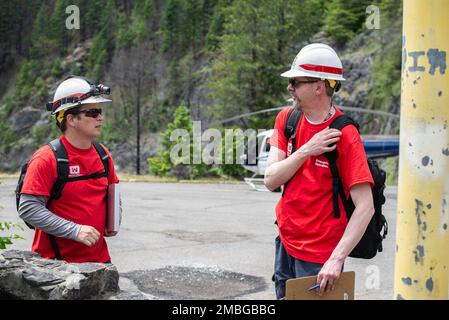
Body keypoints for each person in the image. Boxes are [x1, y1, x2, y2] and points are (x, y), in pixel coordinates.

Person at [264, 43, 375, 299]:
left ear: (318, 86)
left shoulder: (345, 134)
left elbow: (365, 206)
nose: (289, 88)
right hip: (286, 242)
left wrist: (336, 260)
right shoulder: (287, 120)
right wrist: (306, 150)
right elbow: (270, 180)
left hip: (319, 258)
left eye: (295, 81)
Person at [18, 76, 119, 263]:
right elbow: (28, 208)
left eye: (100, 111)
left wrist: (113, 221)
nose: (100, 117)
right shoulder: (46, 159)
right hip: (55, 267)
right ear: (71, 119)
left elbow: (113, 192)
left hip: (100, 262)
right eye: (92, 112)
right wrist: (75, 230)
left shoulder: (102, 154)